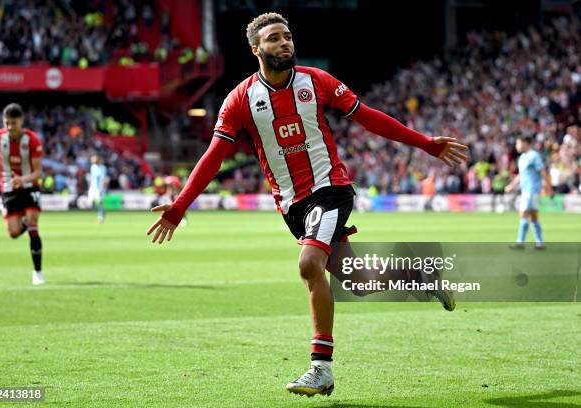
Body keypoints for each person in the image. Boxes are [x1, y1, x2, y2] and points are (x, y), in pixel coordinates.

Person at [146, 13, 467, 397]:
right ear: (256, 50)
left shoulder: (316, 82)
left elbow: (370, 119)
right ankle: (420, 277)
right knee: (358, 282)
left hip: (330, 189)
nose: (285, 43)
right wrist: (180, 206)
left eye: (288, 36)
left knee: (308, 264)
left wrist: (427, 144)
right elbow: (214, 156)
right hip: (292, 206)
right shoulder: (240, 100)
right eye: (275, 39)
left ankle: (321, 368)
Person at [0, 103, 45, 285]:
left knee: (33, 224)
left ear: (21, 121)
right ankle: (22, 223)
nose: (11, 127)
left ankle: (38, 272)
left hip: (29, 186)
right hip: (8, 187)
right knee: (13, 233)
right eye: (7, 123)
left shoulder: (32, 140)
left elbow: (38, 172)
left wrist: (23, 178)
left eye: (14, 123)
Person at [505, 136, 552, 249]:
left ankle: (520, 242)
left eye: (518, 143)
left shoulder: (534, 156)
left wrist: (549, 188)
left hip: (531, 190)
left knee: (524, 214)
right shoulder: (522, 157)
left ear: (525, 143)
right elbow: (521, 175)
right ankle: (540, 243)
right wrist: (511, 185)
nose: (516, 146)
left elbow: (542, 172)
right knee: (533, 217)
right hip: (525, 189)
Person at [88, 155, 107, 223]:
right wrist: (90, 186)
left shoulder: (102, 168)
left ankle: (100, 217)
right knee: (90, 203)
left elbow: (103, 179)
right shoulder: (92, 167)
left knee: (99, 203)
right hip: (92, 188)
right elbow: (92, 177)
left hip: (99, 188)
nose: (92, 161)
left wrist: (101, 188)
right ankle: (102, 211)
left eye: (94, 159)